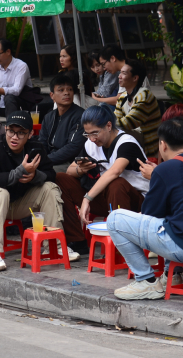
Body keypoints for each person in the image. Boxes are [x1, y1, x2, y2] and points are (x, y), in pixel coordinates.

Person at [107, 118, 183, 300]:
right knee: (174, 217)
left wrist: (155, 175)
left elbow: (151, 214)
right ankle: (173, 275)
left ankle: (145, 281)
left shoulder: (164, 170)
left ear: (162, 145)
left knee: (115, 219)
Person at [0, 110, 70, 272]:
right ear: (5, 129)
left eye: (21, 133)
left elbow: (51, 174)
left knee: (50, 188)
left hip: (17, 204)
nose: (14, 137)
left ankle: (53, 246)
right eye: (11, 131)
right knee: (0, 192)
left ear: (30, 134)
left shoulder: (36, 148)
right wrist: (19, 172)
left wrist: (35, 176)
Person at [56, 105, 149, 253]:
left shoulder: (126, 143)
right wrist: (81, 169)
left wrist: (87, 199)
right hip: (107, 200)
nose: (92, 139)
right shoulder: (91, 144)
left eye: (95, 133)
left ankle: (123, 246)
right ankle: (76, 241)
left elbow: (115, 171)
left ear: (108, 125)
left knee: (116, 183)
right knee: (61, 178)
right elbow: (70, 170)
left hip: (135, 203)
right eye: (87, 134)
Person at [114, 59, 161, 157]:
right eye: (120, 73)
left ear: (135, 78)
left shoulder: (144, 95)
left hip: (148, 148)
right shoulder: (122, 97)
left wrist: (105, 123)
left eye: (124, 73)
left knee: (111, 130)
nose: (119, 76)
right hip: (134, 140)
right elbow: (115, 118)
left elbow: (130, 123)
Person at [40, 73, 85, 167]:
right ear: (52, 95)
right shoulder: (48, 117)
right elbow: (42, 142)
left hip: (70, 163)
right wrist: (41, 159)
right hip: (49, 160)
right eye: (61, 90)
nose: (66, 93)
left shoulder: (80, 116)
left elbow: (73, 147)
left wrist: (45, 161)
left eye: (70, 89)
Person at [0, 38, 37, 115]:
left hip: (21, 103)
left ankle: (12, 125)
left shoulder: (21, 66)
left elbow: (16, 91)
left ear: (8, 52)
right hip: (2, 102)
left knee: (9, 97)